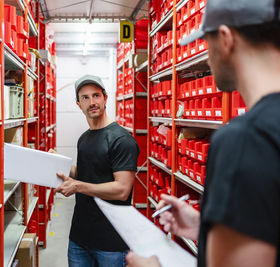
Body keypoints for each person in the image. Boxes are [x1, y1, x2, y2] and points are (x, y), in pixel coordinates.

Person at [126, 0, 280, 266]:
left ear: (225, 38)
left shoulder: (244, 140)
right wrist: (204, 225)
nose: (208, 56)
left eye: (206, 42)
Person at [53, 74, 140, 267]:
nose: (91, 102)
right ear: (78, 104)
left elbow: (122, 190)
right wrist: (58, 164)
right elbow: (87, 173)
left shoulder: (121, 140)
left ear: (105, 98)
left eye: (96, 95)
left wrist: (77, 186)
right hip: (79, 237)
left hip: (111, 241)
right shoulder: (84, 138)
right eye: (85, 98)